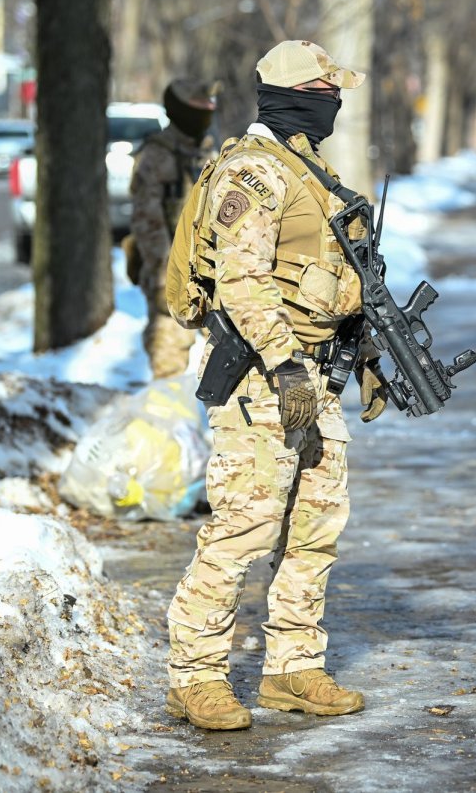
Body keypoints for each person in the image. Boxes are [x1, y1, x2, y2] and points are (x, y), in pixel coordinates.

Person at [163, 40, 387, 731]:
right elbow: (241, 281)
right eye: (328, 90)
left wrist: (369, 351)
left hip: (313, 375)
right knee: (244, 528)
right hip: (263, 378)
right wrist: (287, 365)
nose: (336, 102)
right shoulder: (255, 174)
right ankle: (195, 675)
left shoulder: (308, 167)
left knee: (314, 527)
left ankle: (292, 668)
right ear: (298, 95)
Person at [129, 78, 219, 378]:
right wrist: (164, 275)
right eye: (198, 107)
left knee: (227, 363)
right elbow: (146, 222)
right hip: (169, 271)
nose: (206, 112)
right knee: (168, 362)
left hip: (213, 275)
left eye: (209, 107)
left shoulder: (208, 152)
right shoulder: (156, 155)